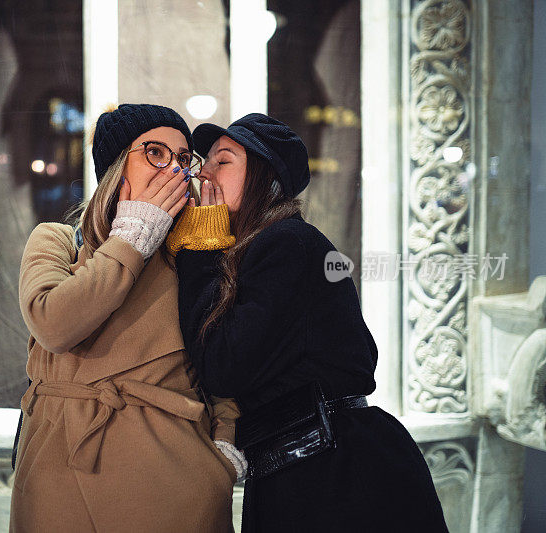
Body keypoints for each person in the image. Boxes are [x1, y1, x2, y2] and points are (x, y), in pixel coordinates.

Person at [167, 113, 449, 532]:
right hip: (312, 462)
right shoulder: (271, 247)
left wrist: (199, 251)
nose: (203, 173)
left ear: (265, 177)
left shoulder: (286, 244)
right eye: (204, 161)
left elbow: (222, 366)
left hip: (335, 474)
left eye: (222, 161)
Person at [10, 103, 245, 533]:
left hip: (173, 485)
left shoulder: (193, 256)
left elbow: (222, 359)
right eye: (155, 152)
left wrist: (223, 454)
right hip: (55, 472)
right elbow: (53, 325)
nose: (172, 169)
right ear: (117, 166)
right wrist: (133, 236)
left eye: (182, 159)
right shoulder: (58, 240)